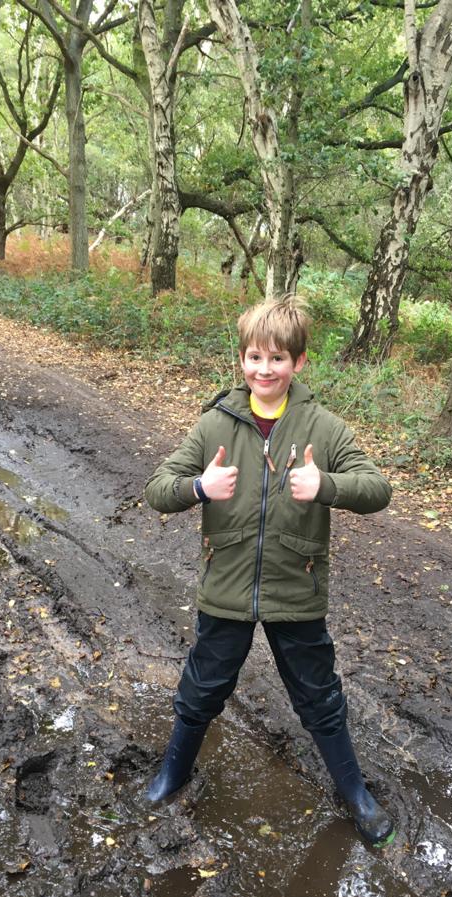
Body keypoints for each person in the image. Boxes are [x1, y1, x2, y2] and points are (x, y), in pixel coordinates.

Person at [143, 295, 395, 847]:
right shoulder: (215, 423)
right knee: (202, 688)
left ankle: (354, 792)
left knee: (318, 694)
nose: (264, 370)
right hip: (226, 589)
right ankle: (173, 773)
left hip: (295, 588)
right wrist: (198, 489)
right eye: (255, 357)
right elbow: (158, 490)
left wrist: (325, 486)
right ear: (241, 359)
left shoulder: (323, 428)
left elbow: (377, 489)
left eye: (277, 359)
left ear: (298, 363)